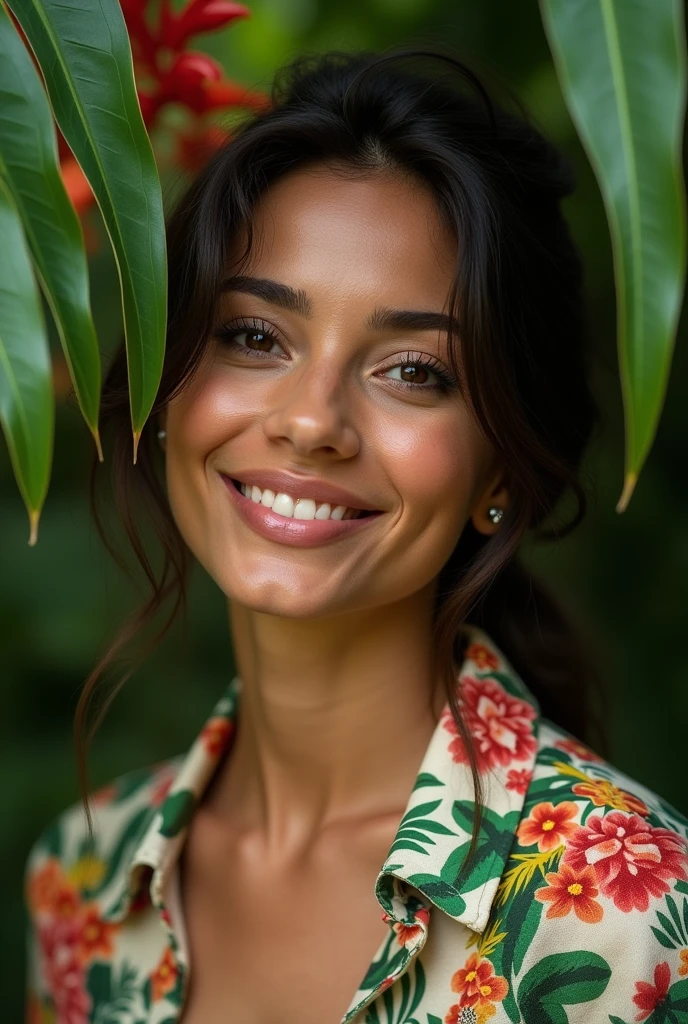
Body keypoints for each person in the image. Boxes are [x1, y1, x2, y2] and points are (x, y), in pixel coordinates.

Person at [24, 48, 688, 1024]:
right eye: (254, 335)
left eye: (414, 370)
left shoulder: (639, 923)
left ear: (501, 467)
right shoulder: (83, 882)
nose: (309, 421)